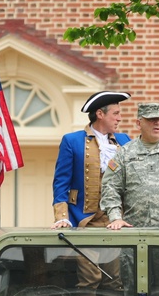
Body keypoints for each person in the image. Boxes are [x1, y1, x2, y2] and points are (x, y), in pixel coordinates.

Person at [51, 90, 132, 229]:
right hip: (83, 219)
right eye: (115, 113)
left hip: (117, 220)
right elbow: (61, 183)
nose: (119, 118)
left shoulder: (124, 140)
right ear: (100, 114)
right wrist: (62, 217)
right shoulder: (72, 141)